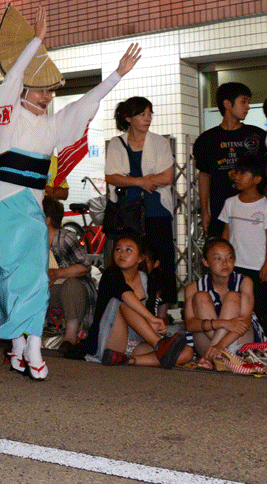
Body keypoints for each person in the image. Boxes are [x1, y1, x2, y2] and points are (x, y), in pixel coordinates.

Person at [0, 5, 140, 380]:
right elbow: (10, 82)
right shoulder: (7, 117)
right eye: (38, 89)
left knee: (37, 279)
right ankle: (20, 342)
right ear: (22, 88)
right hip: (0, 211)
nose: (45, 96)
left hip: (32, 215)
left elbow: (85, 104)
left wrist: (116, 76)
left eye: (49, 91)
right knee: (8, 280)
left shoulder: (51, 126)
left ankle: (33, 346)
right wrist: (37, 40)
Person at [104, 96, 177, 316]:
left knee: (162, 259)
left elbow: (168, 176)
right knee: (129, 260)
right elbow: (111, 177)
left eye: (149, 114)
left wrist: (138, 179)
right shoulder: (117, 143)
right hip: (128, 212)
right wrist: (142, 181)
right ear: (128, 118)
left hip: (157, 210)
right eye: (142, 114)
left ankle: (162, 311)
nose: (148, 118)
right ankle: (130, 308)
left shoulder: (160, 142)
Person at [85, 233, 192, 369]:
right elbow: (125, 294)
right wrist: (152, 319)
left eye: (128, 250)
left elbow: (148, 314)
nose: (122, 253)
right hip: (110, 340)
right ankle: (160, 345)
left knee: (187, 352)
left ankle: (127, 360)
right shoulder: (110, 275)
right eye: (118, 249)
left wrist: (153, 324)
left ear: (140, 258)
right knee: (123, 303)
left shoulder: (148, 280)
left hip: (136, 342)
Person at [193, 82, 265, 238]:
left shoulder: (258, 136)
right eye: (243, 101)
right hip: (220, 210)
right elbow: (204, 176)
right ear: (227, 104)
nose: (248, 107)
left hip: (255, 212)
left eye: (248, 102)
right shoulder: (206, 140)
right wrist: (205, 211)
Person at [183, 237, 264, 371]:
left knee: (232, 296)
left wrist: (219, 346)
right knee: (200, 297)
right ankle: (224, 357)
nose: (225, 263)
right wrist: (223, 323)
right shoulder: (193, 288)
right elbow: (190, 324)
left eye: (229, 258)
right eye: (217, 258)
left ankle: (215, 356)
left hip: (239, 338)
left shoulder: (245, 282)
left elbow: (244, 322)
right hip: (207, 339)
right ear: (205, 262)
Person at [217, 155, 267, 329]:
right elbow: (226, 233)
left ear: (257, 179)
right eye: (236, 172)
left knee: (261, 309)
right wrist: (221, 260)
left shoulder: (264, 206)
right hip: (235, 265)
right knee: (236, 307)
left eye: (243, 173)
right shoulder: (230, 203)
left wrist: (266, 264)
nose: (236, 176)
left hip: (258, 267)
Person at [43, 196, 96, 348]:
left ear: (47, 220)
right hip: (47, 290)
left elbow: (85, 266)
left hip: (73, 291)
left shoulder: (66, 237)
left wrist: (58, 273)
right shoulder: (33, 240)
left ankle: (70, 338)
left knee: (71, 286)